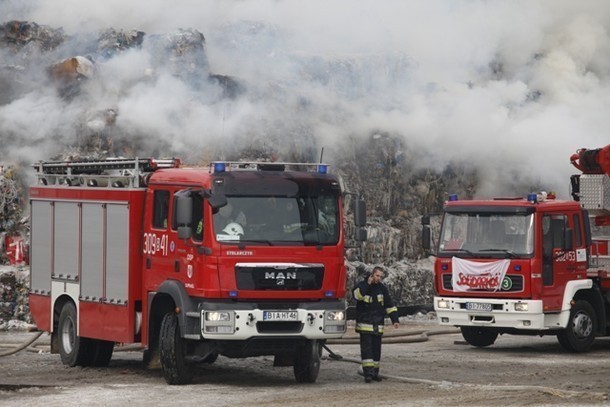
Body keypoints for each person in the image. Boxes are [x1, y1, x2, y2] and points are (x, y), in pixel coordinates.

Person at [353, 266, 399, 383]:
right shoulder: (362, 286)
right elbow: (357, 296)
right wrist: (367, 284)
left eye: (381, 277)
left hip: (377, 326)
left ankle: (375, 373)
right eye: (377, 276)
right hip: (365, 325)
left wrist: (395, 320)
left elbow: (389, 304)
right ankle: (367, 374)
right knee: (367, 351)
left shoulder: (382, 289)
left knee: (376, 351)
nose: (379, 278)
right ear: (372, 275)